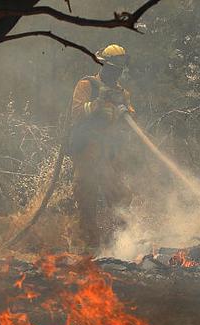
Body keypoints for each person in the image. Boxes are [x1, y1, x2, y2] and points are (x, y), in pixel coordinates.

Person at [69, 44, 135, 252]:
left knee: (120, 197)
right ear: (103, 65)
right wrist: (98, 104)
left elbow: (130, 119)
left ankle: (119, 244)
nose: (115, 73)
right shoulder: (87, 85)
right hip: (87, 152)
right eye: (112, 68)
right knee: (86, 198)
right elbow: (77, 112)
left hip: (109, 155)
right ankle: (89, 248)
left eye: (118, 70)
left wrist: (125, 111)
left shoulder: (122, 93)